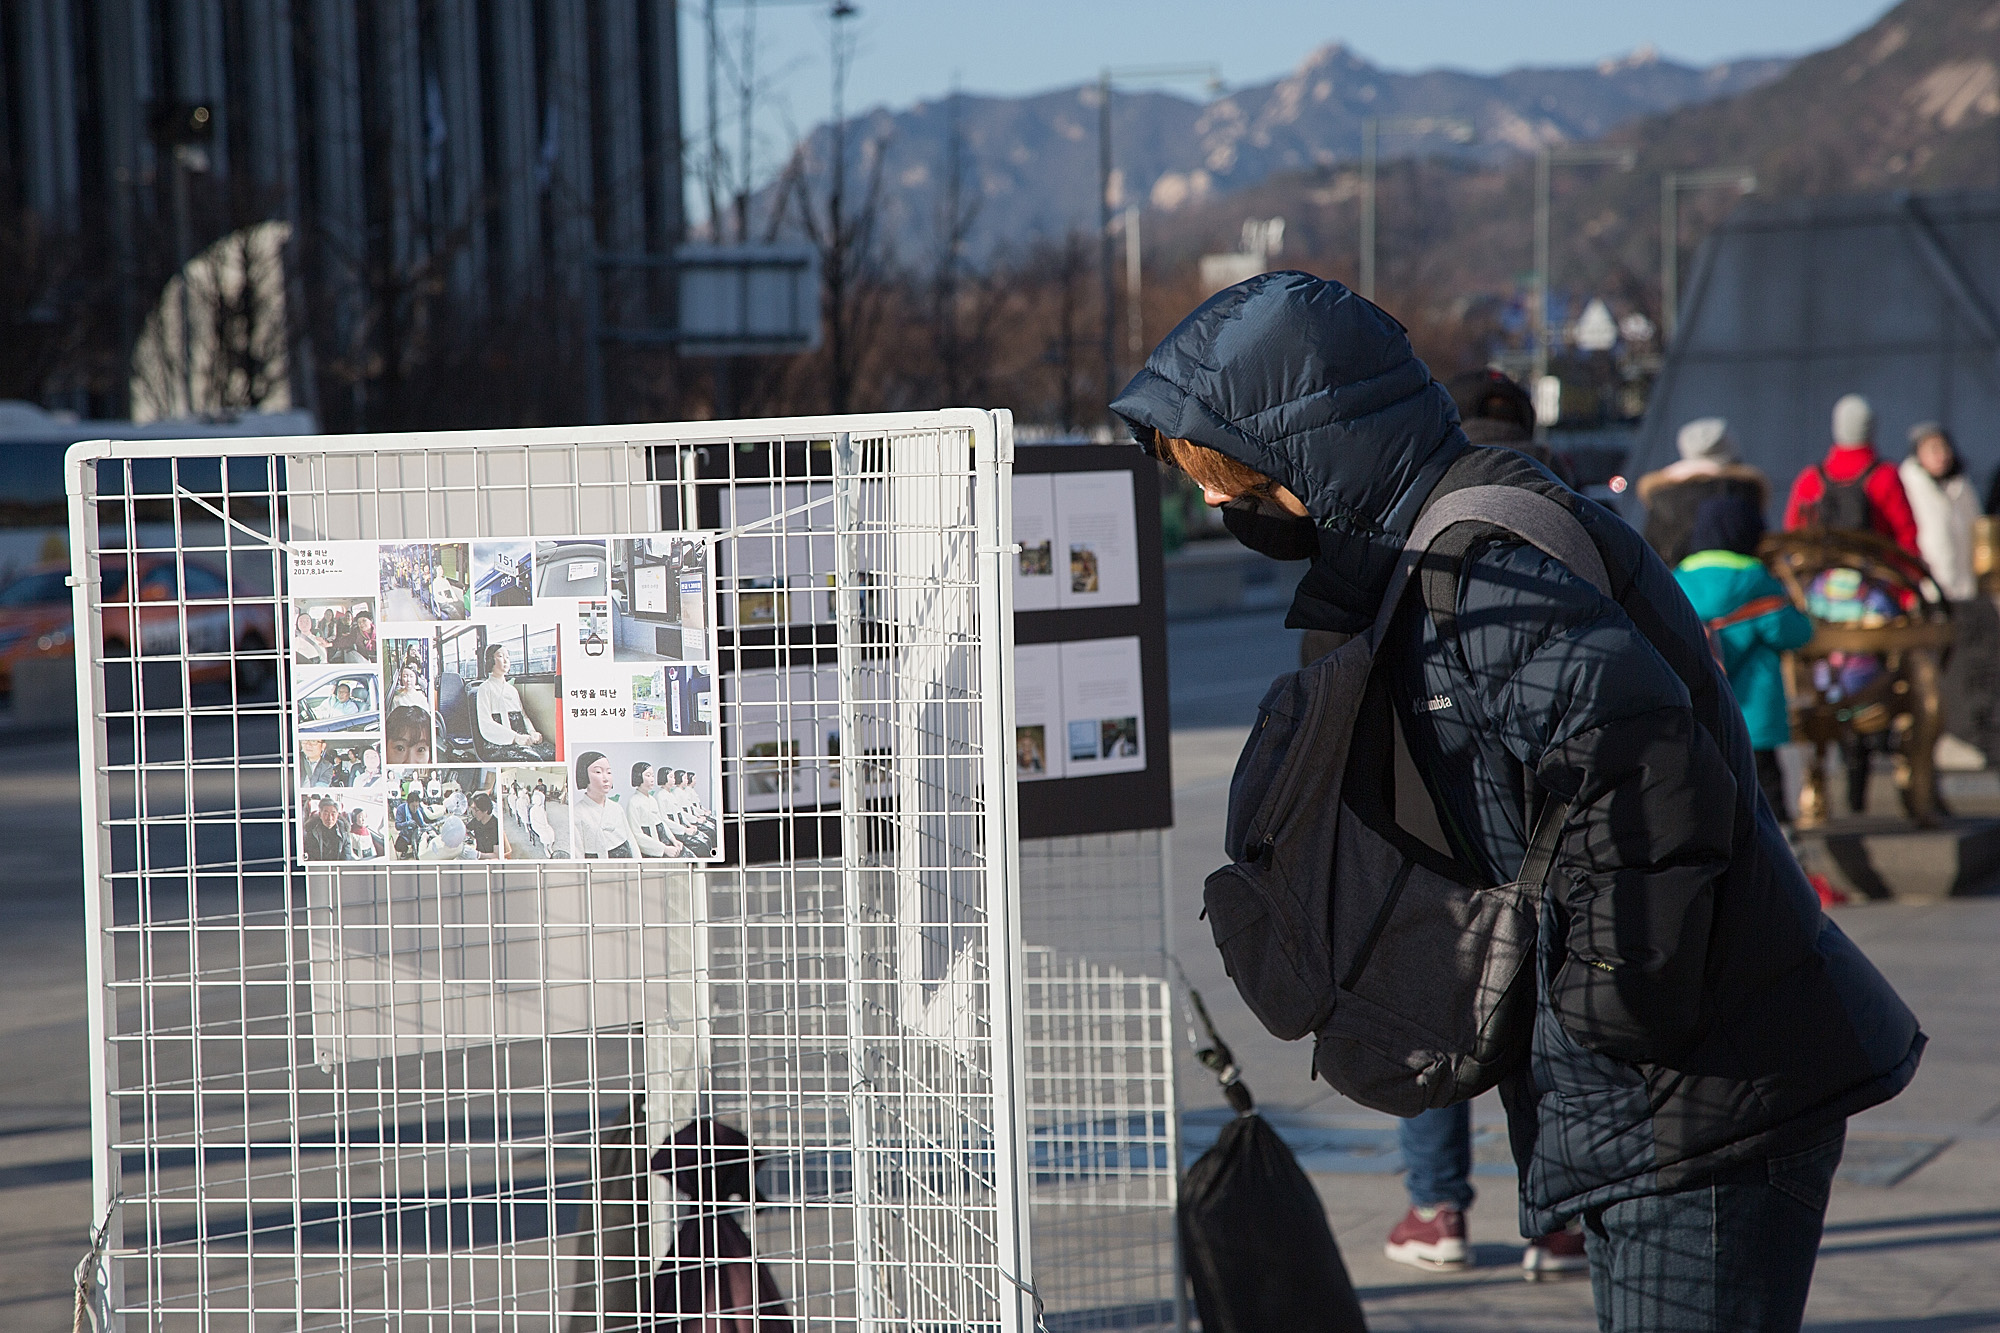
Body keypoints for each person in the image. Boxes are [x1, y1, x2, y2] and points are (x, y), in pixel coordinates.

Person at [1112, 271, 1922, 1331]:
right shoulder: (1456, 543)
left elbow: (1638, 775)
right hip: (1673, 1083)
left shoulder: (1481, 568)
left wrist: (1606, 1013)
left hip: (1694, 1087)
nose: (1219, 503)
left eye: (1233, 475)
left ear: (1313, 445)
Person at [1673, 495, 1816, 824]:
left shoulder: (1677, 579)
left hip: (1699, 714)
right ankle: (1784, 866)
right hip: (1755, 721)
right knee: (1767, 800)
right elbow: (1796, 633)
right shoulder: (1758, 580)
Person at [1784, 395, 1920, 554]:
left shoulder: (1810, 479)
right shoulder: (1885, 476)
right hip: (1874, 571)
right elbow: (1906, 535)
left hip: (1822, 572)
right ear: (1872, 427)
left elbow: (1793, 531)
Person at [1637, 418, 1773, 567]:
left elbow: (1651, 551)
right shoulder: (1742, 490)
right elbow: (1762, 549)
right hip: (1742, 584)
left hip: (1671, 583)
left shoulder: (1662, 494)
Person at [1900, 422, 1979, 601]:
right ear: (1919, 453)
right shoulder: (1908, 485)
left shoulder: (1961, 486)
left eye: (1944, 448)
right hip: (1929, 590)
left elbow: (1976, 527)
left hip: (1964, 586)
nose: (1941, 456)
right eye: (1933, 450)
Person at [474, 643, 546, 757]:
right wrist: (515, 738)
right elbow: (485, 724)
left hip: (522, 739)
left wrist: (533, 732)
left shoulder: (512, 690)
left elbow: (524, 716)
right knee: (534, 758)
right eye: (500, 656)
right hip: (498, 743)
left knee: (550, 752)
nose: (505, 660)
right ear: (490, 660)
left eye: (507, 657)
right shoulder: (484, 688)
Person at [571, 750, 638, 858]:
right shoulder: (577, 814)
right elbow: (578, 854)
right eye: (598, 772)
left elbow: (631, 840)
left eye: (609, 772)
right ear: (584, 774)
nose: (606, 778)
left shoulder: (616, 807)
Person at [625, 762, 687, 857]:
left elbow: (662, 822)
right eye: (648, 775)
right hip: (652, 849)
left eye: (653, 776)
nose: (652, 779)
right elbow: (637, 835)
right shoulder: (633, 803)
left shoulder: (653, 800)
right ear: (638, 776)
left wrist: (673, 840)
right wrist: (664, 849)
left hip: (663, 840)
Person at [467, 792, 503, 859]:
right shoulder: (476, 821)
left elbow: (496, 855)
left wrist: (478, 855)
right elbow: (465, 829)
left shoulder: (495, 826)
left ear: (485, 810)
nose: (474, 813)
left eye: (476, 810)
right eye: (473, 809)